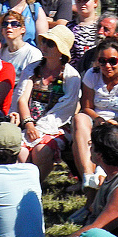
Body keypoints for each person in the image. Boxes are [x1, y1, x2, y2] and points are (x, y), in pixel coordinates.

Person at [72, 38, 118, 191]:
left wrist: (117, 121)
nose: (107, 66)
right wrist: (98, 119)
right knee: (79, 119)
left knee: (104, 139)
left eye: (112, 61)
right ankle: (88, 175)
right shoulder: (92, 74)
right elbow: (87, 106)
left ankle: (95, 187)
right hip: (96, 119)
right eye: (102, 61)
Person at [13, 26, 80, 181]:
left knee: (41, 150)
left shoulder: (71, 76)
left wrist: (38, 129)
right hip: (27, 123)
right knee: (21, 153)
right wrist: (29, 124)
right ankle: (23, 189)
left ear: (61, 50)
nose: (44, 46)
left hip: (56, 127)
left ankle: (36, 187)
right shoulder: (32, 69)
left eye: (50, 43)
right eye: (44, 42)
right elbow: (21, 98)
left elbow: (63, 111)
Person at [0, 10, 42, 80]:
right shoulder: (0, 53)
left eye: (14, 24)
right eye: (5, 24)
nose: (9, 27)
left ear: (23, 29)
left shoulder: (33, 53)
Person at [67, 0, 99, 69]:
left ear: (95, 3)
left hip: (96, 72)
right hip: (74, 72)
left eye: (85, 0)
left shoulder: (102, 25)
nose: (82, 4)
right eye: (79, 1)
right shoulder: (70, 26)